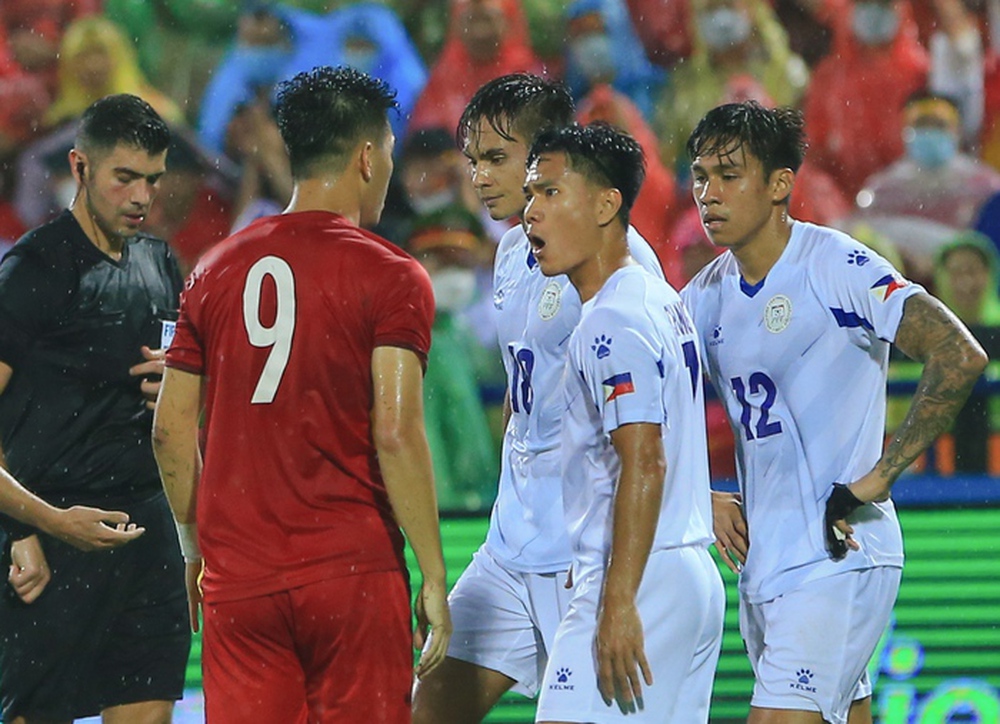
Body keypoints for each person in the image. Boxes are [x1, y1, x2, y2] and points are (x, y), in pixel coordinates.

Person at [153, 66, 451, 724]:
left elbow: (170, 432)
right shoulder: (393, 274)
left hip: (241, 583)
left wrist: (194, 550)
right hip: (351, 573)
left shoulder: (212, 268)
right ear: (369, 157)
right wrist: (433, 572)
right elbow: (396, 432)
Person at [681, 101, 988, 724]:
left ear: (779, 185)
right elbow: (654, 412)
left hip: (838, 552)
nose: (708, 193)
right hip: (765, 561)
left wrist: (878, 477)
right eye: (700, 175)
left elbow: (959, 353)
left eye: (729, 175)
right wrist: (699, 493)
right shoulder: (702, 297)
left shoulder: (835, 265)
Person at [411, 72, 665, 723]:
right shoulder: (506, 254)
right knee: (426, 711)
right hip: (510, 548)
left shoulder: (618, 261)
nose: (479, 176)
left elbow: (654, 405)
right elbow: (527, 399)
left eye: (497, 158)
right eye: (473, 160)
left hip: (584, 559)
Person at [525, 122, 725, 722]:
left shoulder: (610, 321)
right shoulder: (658, 296)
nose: (531, 213)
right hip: (686, 569)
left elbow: (645, 458)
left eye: (551, 193)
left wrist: (616, 601)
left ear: (609, 204)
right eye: (531, 194)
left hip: (640, 575)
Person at [0, 93, 190, 724]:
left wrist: (185, 387)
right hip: (54, 537)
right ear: (79, 168)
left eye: (154, 180)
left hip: (145, 534)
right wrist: (30, 529)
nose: (141, 197)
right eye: (125, 178)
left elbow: (185, 409)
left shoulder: (161, 262)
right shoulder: (34, 268)